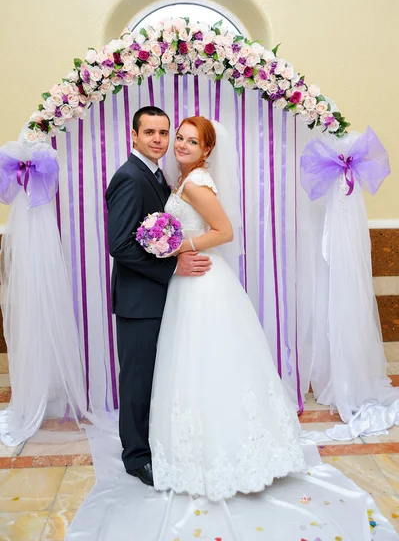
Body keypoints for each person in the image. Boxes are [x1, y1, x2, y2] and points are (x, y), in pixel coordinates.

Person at [149, 116, 306, 502]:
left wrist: (177, 247)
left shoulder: (197, 183)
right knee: (196, 363)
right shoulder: (185, 180)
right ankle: (200, 449)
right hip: (190, 281)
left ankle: (230, 453)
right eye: (180, 138)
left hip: (203, 280)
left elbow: (224, 232)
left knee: (210, 362)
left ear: (207, 151)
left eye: (192, 141)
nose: (182, 145)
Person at [106, 106, 212, 487]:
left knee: (153, 376)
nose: (158, 139)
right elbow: (119, 245)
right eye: (149, 132)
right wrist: (173, 267)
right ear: (133, 135)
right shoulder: (129, 177)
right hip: (138, 300)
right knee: (136, 378)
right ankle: (135, 456)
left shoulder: (158, 175)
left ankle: (151, 442)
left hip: (156, 297)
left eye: (163, 133)